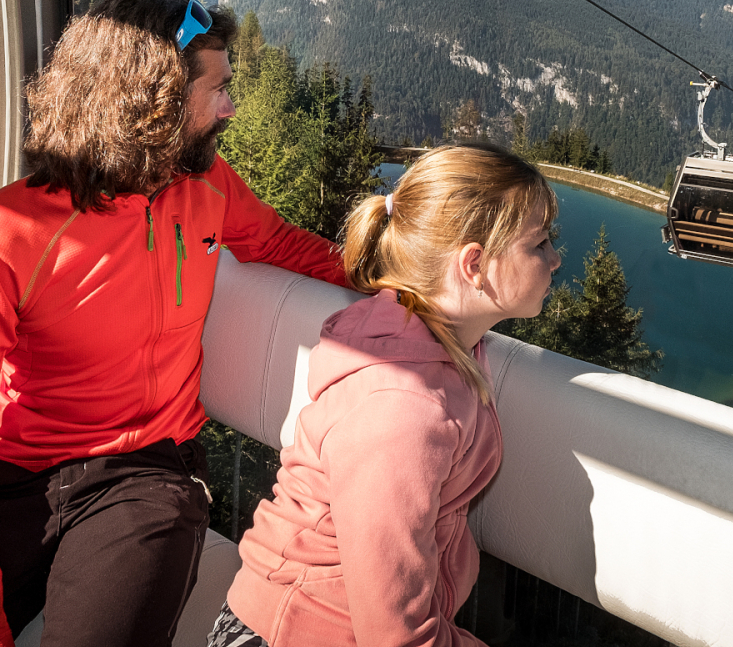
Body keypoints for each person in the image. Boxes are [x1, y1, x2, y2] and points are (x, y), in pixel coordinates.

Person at [0, 0, 354, 647]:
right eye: (217, 89)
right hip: (10, 474)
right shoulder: (1, 239)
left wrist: (400, 274)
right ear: (152, 101)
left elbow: (276, 242)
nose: (231, 106)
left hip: (147, 471)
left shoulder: (206, 183)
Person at [215, 143, 560, 647]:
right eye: (540, 243)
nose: (554, 259)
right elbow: (395, 635)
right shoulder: (403, 409)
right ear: (474, 265)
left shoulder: (424, 333)